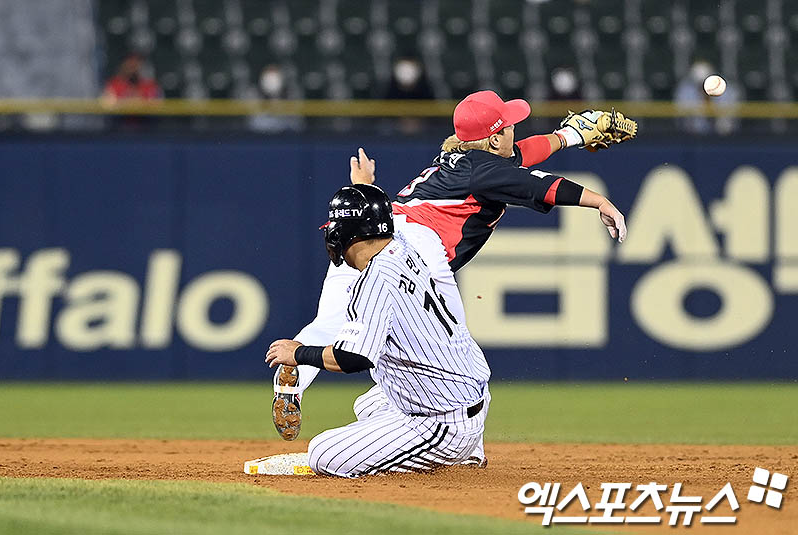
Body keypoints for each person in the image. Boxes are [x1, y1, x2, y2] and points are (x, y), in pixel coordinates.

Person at [271, 90, 629, 457]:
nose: (514, 131)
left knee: (331, 323)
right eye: (508, 126)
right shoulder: (485, 171)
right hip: (416, 251)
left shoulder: (462, 159)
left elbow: (523, 154)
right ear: (494, 139)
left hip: (365, 237)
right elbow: (542, 185)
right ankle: (463, 435)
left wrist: (569, 136)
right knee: (448, 338)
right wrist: (599, 201)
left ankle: (294, 378)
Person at [266, 184, 491, 477]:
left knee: (322, 453)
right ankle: (418, 447)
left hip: (442, 422)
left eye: (336, 228)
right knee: (368, 403)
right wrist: (366, 190)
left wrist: (298, 353)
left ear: (348, 233)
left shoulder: (375, 280)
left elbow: (352, 358)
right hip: (466, 392)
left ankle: (449, 457)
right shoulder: (402, 248)